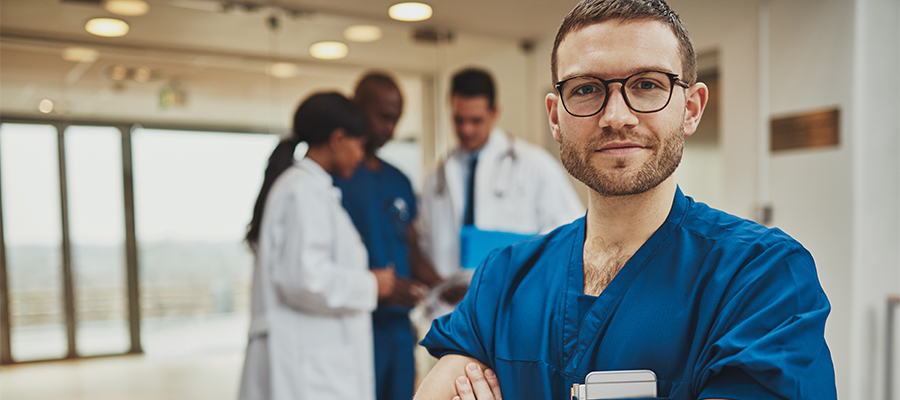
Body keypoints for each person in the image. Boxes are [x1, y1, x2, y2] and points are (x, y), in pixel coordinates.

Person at [414, 1, 838, 399]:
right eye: (586, 90)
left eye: (647, 85)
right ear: (555, 116)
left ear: (691, 108)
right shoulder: (504, 279)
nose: (616, 115)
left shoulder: (762, 278)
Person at [238, 92, 396, 400]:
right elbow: (303, 279)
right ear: (338, 139)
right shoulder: (304, 191)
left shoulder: (310, 189)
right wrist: (371, 284)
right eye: (359, 145)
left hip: (311, 359)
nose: (361, 156)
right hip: (307, 365)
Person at [333, 72, 443, 400]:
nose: (389, 130)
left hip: (397, 328)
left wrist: (448, 287)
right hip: (352, 325)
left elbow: (411, 251)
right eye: (382, 117)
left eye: (396, 120)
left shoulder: (398, 181)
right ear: (358, 107)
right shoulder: (336, 180)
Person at [418, 67, 585, 282]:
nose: (466, 130)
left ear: (494, 112)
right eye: (459, 120)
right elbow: (423, 244)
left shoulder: (535, 165)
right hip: (452, 303)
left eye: (476, 120)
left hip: (515, 292)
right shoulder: (436, 176)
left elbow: (570, 231)